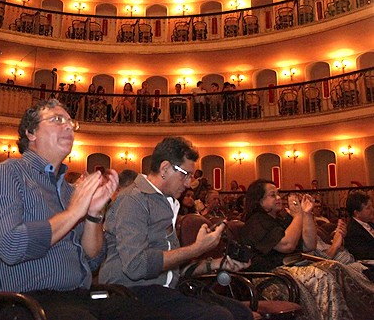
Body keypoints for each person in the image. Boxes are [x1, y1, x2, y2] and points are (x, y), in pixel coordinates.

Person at [0, 99, 163, 320]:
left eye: (71, 123)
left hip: (77, 297)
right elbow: (12, 246)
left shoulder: (69, 190)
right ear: (31, 132)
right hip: (24, 302)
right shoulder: (6, 174)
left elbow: (92, 260)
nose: (68, 127)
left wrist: (93, 214)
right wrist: (73, 212)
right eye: (57, 120)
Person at [99, 137, 252, 320]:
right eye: (185, 174)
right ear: (165, 169)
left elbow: (173, 269)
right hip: (131, 292)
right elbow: (136, 266)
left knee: (241, 313)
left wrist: (216, 264)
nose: (188, 183)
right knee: (218, 316)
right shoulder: (134, 200)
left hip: (164, 289)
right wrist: (195, 249)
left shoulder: (169, 202)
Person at [240, 179, 374, 320]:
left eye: (278, 194)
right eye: (273, 195)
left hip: (287, 269)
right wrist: (298, 215)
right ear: (260, 201)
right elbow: (287, 245)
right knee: (322, 275)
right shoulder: (256, 221)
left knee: (335, 268)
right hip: (268, 276)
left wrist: (307, 213)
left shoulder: (278, 220)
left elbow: (309, 244)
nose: (279, 198)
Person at [344, 191, 374, 260]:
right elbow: (365, 255)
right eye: (368, 208)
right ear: (356, 213)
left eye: (372, 206)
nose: (372, 210)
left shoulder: (369, 223)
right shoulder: (353, 232)